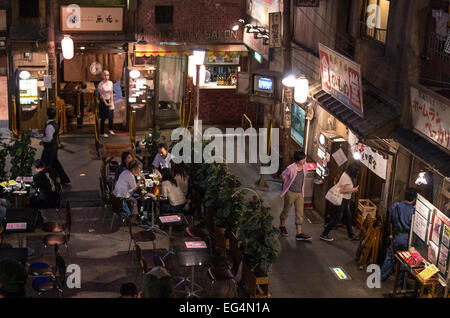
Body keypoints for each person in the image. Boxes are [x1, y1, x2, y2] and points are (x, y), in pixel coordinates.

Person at [380, 188, 417, 283]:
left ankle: (381, 276)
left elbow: (391, 219)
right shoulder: (413, 211)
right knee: (403, 260)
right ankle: (399, 281)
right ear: (413, 199)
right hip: (406, 238)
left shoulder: (396, 206)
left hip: (395, 236)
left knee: (390, 256)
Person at [320, 163, 360, 242]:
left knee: (348, 217)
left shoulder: (346, 174)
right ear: (353, 171)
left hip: (344, 201)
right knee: (336, 219)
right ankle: (324, 234)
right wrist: (353, 190)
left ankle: (351, 234)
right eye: (357, 171)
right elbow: (342, 190)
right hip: (341, 200)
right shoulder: (346, 178)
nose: (358, 173)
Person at [279, 151, 311, 241]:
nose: (305, 160)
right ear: (298, 160)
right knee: (286, 210)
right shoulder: (290, 168)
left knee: (300, 213)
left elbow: (304, 176)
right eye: (303, 158)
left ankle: (299, 233)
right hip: (290, 193)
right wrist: (286, 181)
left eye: (305, 158)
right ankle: (282, 225)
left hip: (300, 193)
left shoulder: (305, 166)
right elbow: (283, 175)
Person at [40, 108, 70, 184]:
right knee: (55, 164)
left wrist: (42, 139)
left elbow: (49, 138)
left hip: (49, 148)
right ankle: (64, 179)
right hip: (54, 147)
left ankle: (47, 180)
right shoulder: (54, 123)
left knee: (45, 164)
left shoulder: (49, 126)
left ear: (47, 115)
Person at [98, 70, 115, 138]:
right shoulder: (100, 84)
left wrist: (111, 101)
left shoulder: (111, 83)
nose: (106, 76)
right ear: (103, 76)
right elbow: (101, 94)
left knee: (111, 116)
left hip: (110, 100)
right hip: (103, 101)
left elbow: (111, 92)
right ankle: (102, 132)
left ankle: (110, 129)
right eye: (105, 75)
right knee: (103, 118)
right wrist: (105, 103)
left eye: (107, 75)